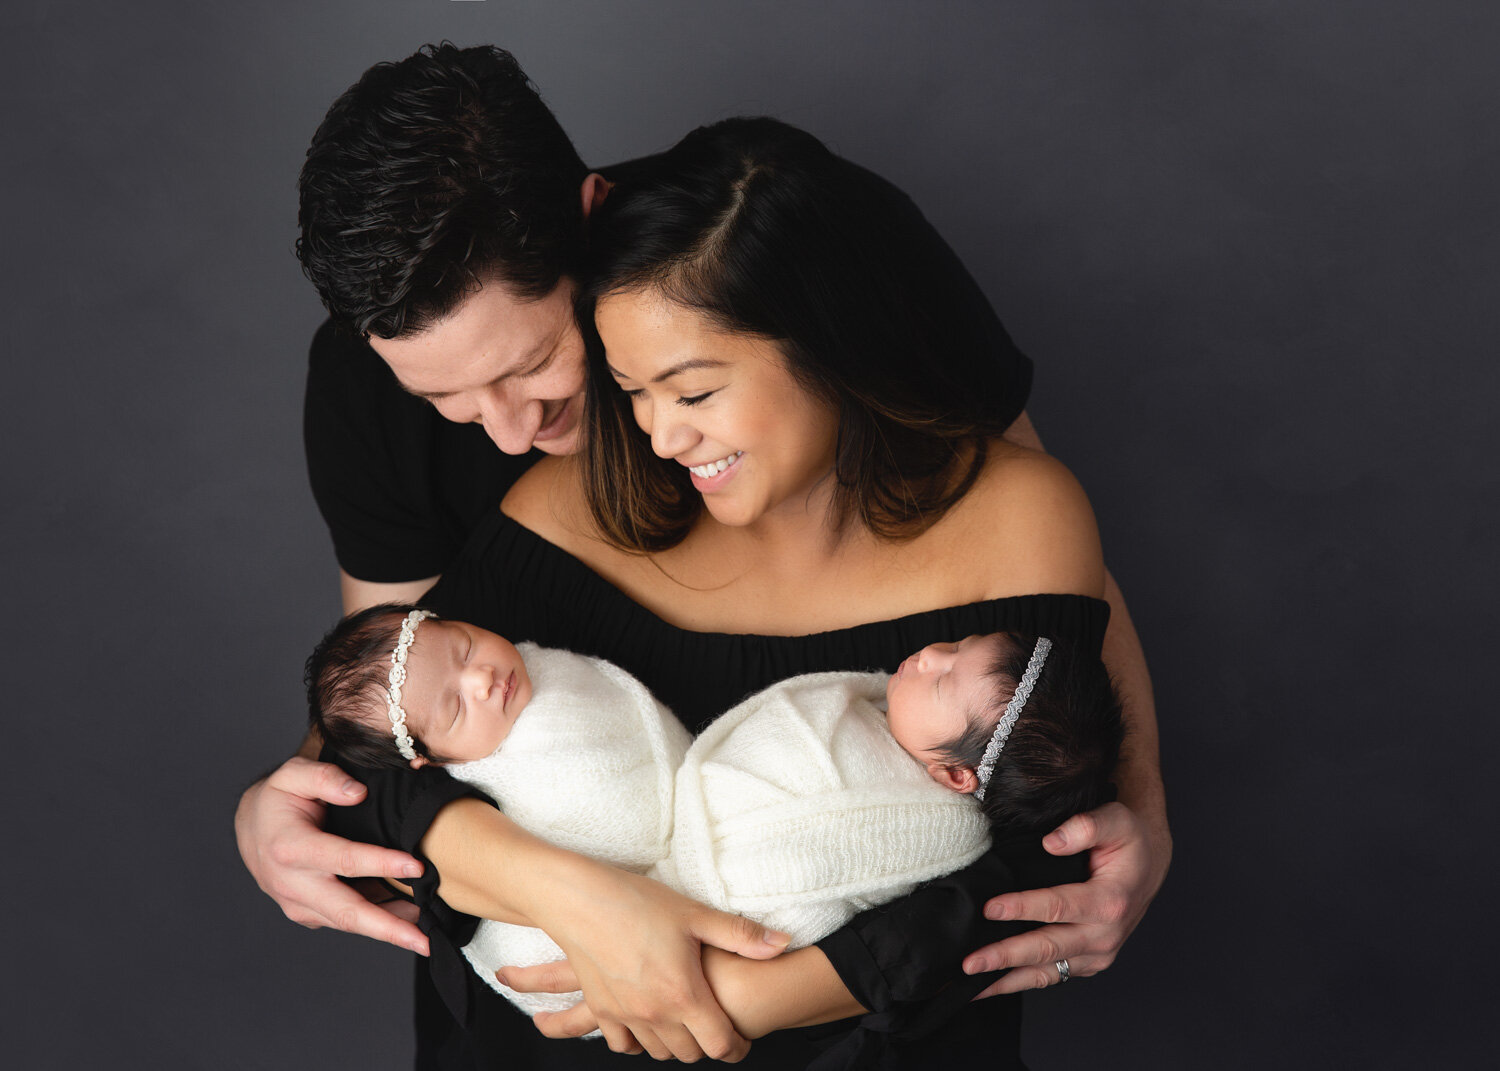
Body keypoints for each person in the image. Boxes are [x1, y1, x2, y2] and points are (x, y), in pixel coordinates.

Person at [233, 43, 1168, 1066]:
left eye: (540, 365)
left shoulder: (779, 236)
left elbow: (1032, 579)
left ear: (591, 228)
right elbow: (383, 705)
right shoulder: (466, 449)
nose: (503, 435)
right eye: (444, 403)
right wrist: (582, 907)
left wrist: (1141, 802)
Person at [308, 602, 1121, 1058]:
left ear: (954, 778)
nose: (929, 653)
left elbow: (835, 874)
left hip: (729, 928)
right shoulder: (500, 614)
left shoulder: (920, 813)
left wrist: (732, 985)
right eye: (950, 644)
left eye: (946, 670)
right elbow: (365, 780)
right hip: (533, 972)